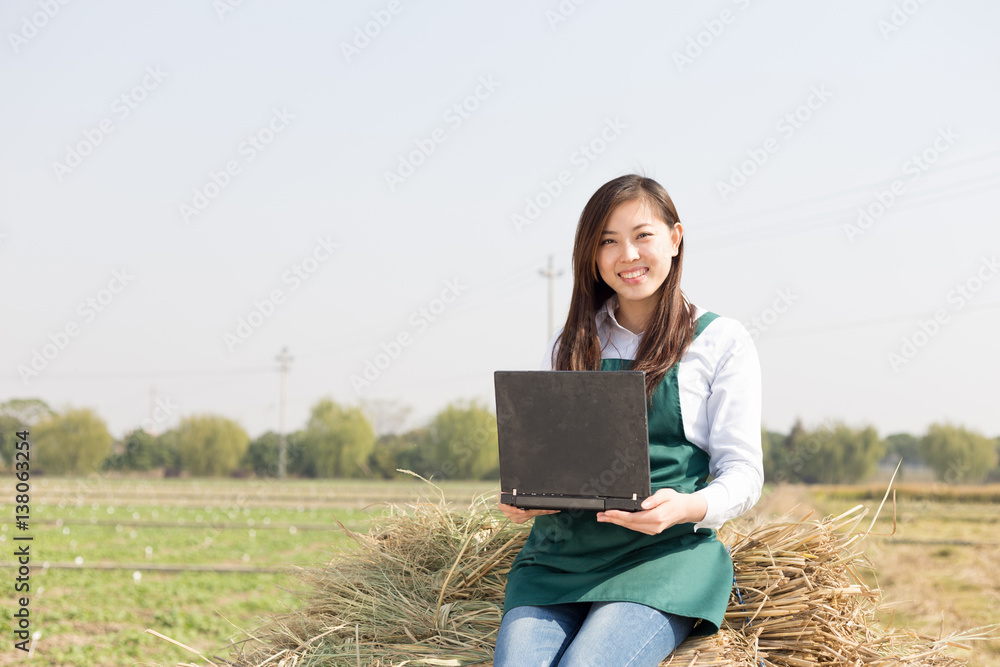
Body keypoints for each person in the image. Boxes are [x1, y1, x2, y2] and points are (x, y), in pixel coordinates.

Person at [493, 174, 763, 667]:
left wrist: (683, 508)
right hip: (558, 558)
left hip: (662, 556)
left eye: (643, 236)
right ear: (591, 256)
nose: (628, 255)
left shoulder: (720, 340)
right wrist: (529, 497)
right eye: (608, 242)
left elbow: (744, 474)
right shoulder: (572, 339)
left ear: (675, 239)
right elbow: (553, 458)